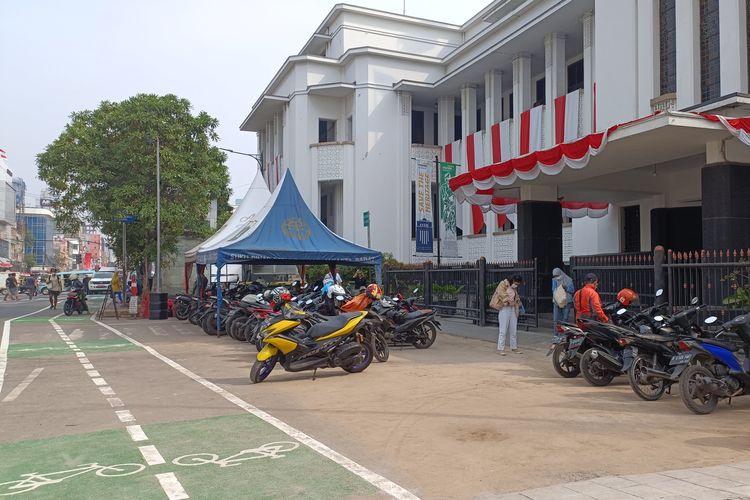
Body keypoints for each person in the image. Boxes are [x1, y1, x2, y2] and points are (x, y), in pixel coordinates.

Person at [491, 274, 524, 355]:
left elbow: (516, 298)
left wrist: (517, 307)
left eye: (518, 284)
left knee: (513, 329)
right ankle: (500, 349)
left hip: (513, 308)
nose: (516, 285)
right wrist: (509, 301)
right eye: (516, 283)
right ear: (512, 280)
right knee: (503, 329)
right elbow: (501, 294)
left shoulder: (514, 288)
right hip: (504, 308)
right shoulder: (503, 284)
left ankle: (514, 347)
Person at [551, 268, 575, 332]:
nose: (556, 277)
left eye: (557, 275)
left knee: (565, 318)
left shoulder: (569, 280)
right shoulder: (554, 280)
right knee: (556, 319)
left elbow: (572, 290)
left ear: (561, 273)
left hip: (567, 301)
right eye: (555, 276)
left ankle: (563, 334)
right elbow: (554, 289)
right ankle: (556, 335)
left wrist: (566, 288)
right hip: (557, 301)